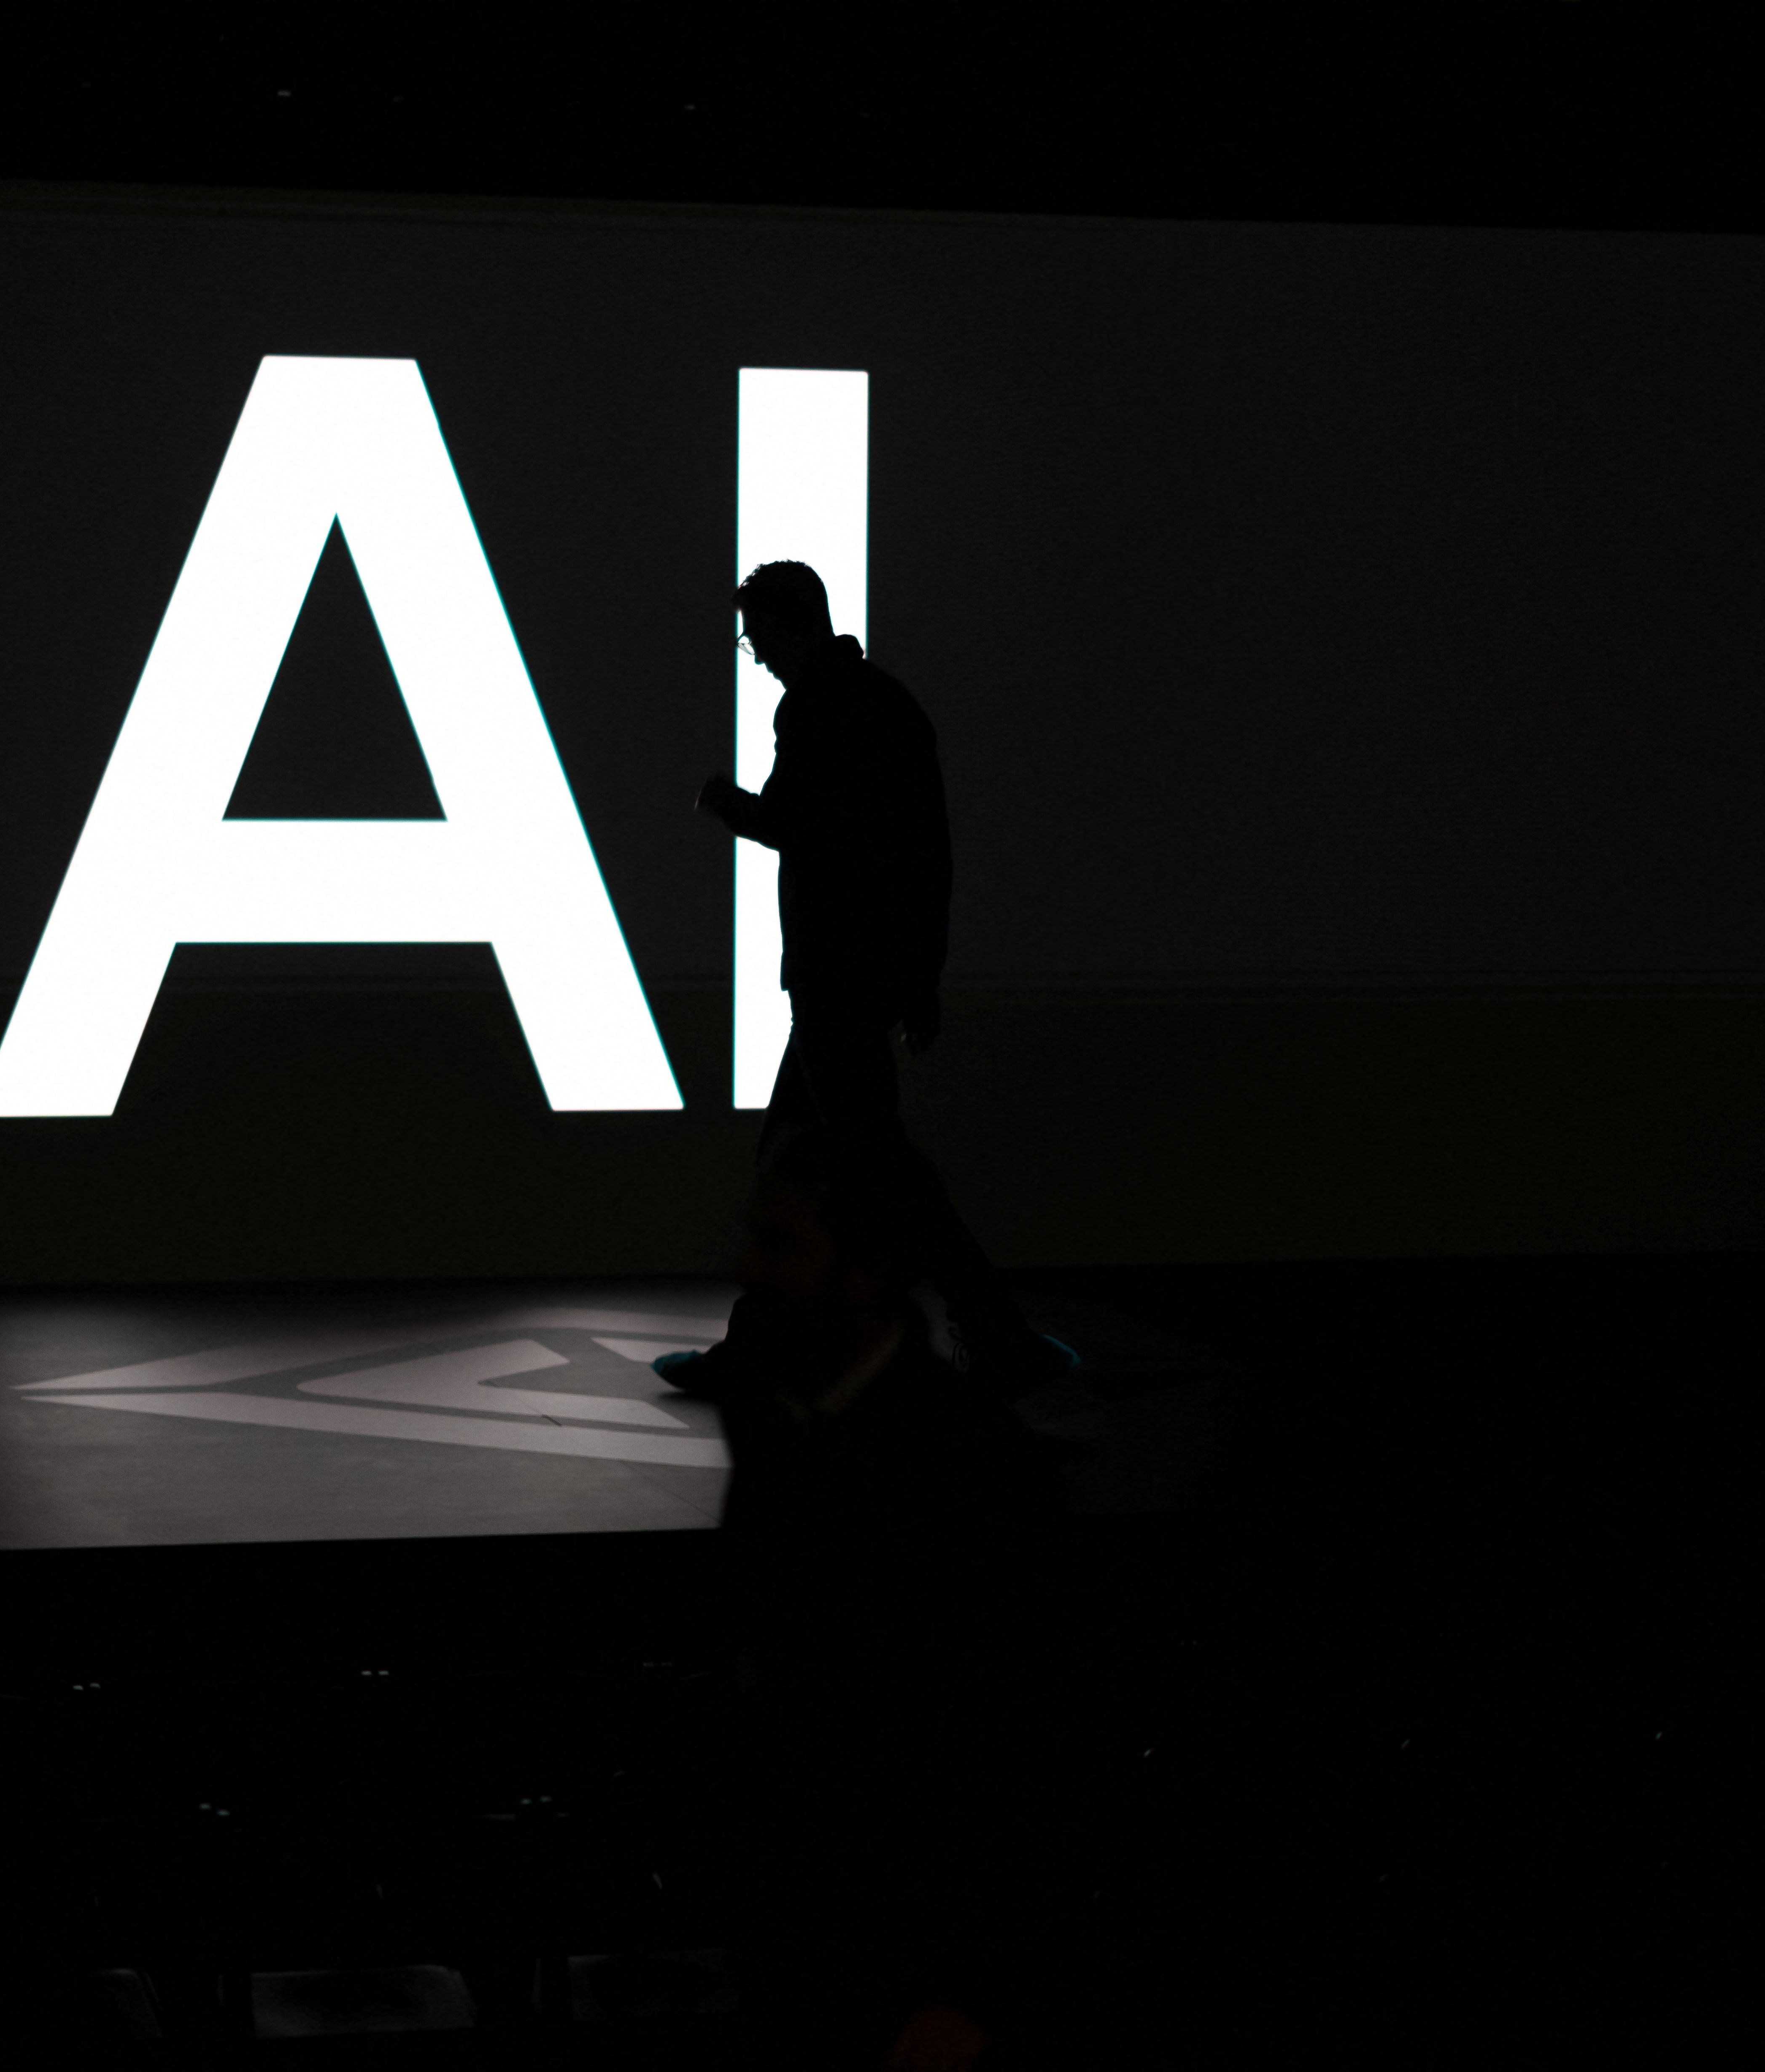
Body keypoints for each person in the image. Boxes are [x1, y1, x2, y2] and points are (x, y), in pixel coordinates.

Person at [688, 1132, 1069, 2070]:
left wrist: (965, 1993)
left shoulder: (976, 1474)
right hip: (797, 1927)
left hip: (899, 1963)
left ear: (868, 1273)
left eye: (780, 1246)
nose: (746, 1269)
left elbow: (1018, 1749)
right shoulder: (780, 1416)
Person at [677, 560, 1070, 1397]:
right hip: (868, 978)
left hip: (829, 980)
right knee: (819, 1164)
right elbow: (930, 857)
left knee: (865, 1168)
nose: (754, 657)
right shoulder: (893, 707)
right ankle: (781, 1344)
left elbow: (791, 825)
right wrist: (921, 981)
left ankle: (987, 1333)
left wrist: (722, 802)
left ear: (788, 628)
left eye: (756, 638)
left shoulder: (813, 706)